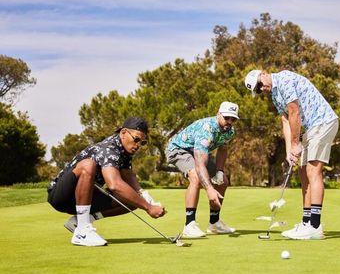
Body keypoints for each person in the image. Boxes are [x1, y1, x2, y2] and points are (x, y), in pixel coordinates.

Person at [244, 69, 338, 240]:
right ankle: (306, 222)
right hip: (311, 129)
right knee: (303, 173)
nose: (261, 89)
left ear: (264, 73)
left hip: (323, 122)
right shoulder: (275, 95)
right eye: (257, 90)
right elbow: (286, 121)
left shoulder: (285, 78)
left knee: (312, 172)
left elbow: (294, 111)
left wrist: (296, 143)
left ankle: (315, 226)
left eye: (259, 84)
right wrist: (289, 150)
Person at [47, 117, 166, 246]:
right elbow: (114, 185)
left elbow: (127, 174)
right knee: (88, 165)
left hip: (84, 197)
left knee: (133, 200)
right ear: (123, 133)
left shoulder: (125, 152)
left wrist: (144, 195)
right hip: (61, 196)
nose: (138, 145)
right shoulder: (109, 148)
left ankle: (79, 221)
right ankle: (82, 231)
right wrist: (148, 208)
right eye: (136, 139)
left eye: (142, 142)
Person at [166, 101, 239, 238]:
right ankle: (189, 224)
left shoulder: (230, 131)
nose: (229, 121)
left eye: (233, 119)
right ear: (218, 114)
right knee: (196, 177)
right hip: (178, 149)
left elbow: (223, 150)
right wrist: (210, 189)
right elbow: (200, 164)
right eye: (226, 117)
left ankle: (214, 223)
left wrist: (219, 172)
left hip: (198, 151)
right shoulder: (207, 129)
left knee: (223, 182)